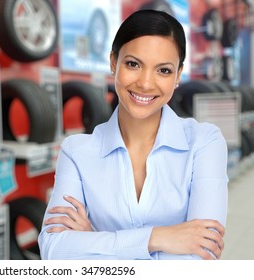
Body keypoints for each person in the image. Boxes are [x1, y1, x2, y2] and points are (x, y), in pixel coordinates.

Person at [38, 9, 228, 260]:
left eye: (163, 70)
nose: (146, 83)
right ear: (113, 62)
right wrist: (157, 238)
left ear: (178, 75)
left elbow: (202, 256)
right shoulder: (76, 152)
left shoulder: (204, 143)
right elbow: (54, 251)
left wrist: (92, 238)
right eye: (133, 64)